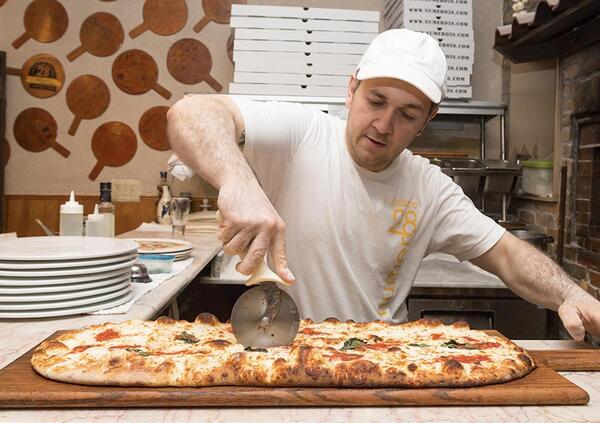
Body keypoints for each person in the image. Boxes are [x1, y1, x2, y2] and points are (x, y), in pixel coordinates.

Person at [167, 29, 600, 341]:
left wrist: (570, 293)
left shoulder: (429, 188)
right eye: (375, 101)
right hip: (281, 345)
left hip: (376, 357)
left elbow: (507, 253)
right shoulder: (301, 134)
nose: (383, 125)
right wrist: (239, 181)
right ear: (351, 89)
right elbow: (190, 113)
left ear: (427, 121)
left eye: (407, 114)